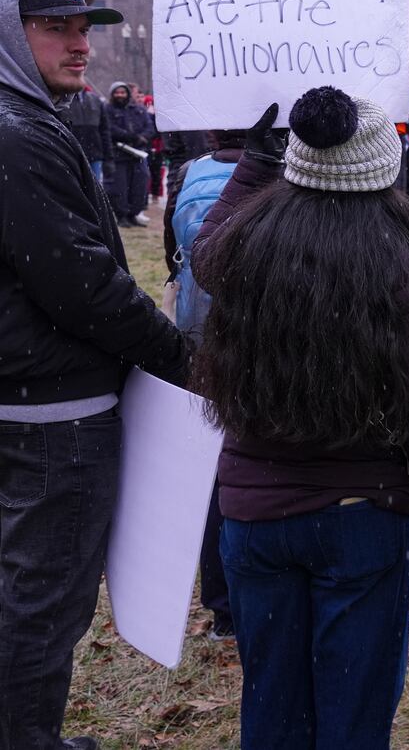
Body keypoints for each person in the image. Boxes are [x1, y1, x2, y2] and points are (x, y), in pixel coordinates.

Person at [190, 87, 409, 750]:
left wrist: (253, 166)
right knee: (352, 715)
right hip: (362, 517)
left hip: (255, 520)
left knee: (272, 704)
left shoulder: (250, 242)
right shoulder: (402, 262)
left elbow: (205, 252)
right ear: (384, 170)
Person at [0, 0, 188, 750]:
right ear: (12, 37)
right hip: (54, 422)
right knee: (44, 602)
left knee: (28, 595)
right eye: (57, 28)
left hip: (34, 404)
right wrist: (182, 358)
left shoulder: (30, 121)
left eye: (84, 28)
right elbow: (84, 285)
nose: (81, 44)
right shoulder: (18, 133)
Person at [164, 126, 249, 643]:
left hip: (200, 343)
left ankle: (221, 609)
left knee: (213, 477)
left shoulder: (188, 175)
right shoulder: (278, 177)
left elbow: (175, 255)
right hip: (260, 345)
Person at [104, 79, 154, 226]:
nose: (120, 95)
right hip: (119, 154)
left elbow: (150, 126)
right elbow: (110, 129)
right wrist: (129, 137)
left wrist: (143, 137)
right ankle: (121, 215)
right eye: (117, 92)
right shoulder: (107, 110)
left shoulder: (138, 109)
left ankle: (134, 213)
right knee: (119, 187)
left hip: (139, 153)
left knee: (139, 185)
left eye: (123, 92)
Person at [63, 84, 111, 182]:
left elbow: (104, 131)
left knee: (95, 190)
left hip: (94, 154)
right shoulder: (62, 100)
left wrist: (109, 158)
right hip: (71, 154)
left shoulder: (96, 100)